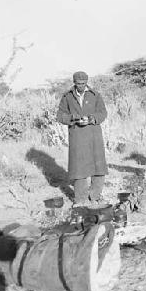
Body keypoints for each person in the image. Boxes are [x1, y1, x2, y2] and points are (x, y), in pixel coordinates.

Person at [56, 71, 109, 206]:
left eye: (83, 83)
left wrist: (92, 119)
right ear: (74, 82)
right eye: (78, 83)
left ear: (87, 82)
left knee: (98, 166)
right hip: (77, 136)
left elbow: (103, 113)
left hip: (93, 134)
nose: (81, 86)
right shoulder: (67, 96)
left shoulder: (95, 95)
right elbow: (60, 115)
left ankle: (95, 196)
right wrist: (72, 118)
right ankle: (80, 199)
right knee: (79, 168)